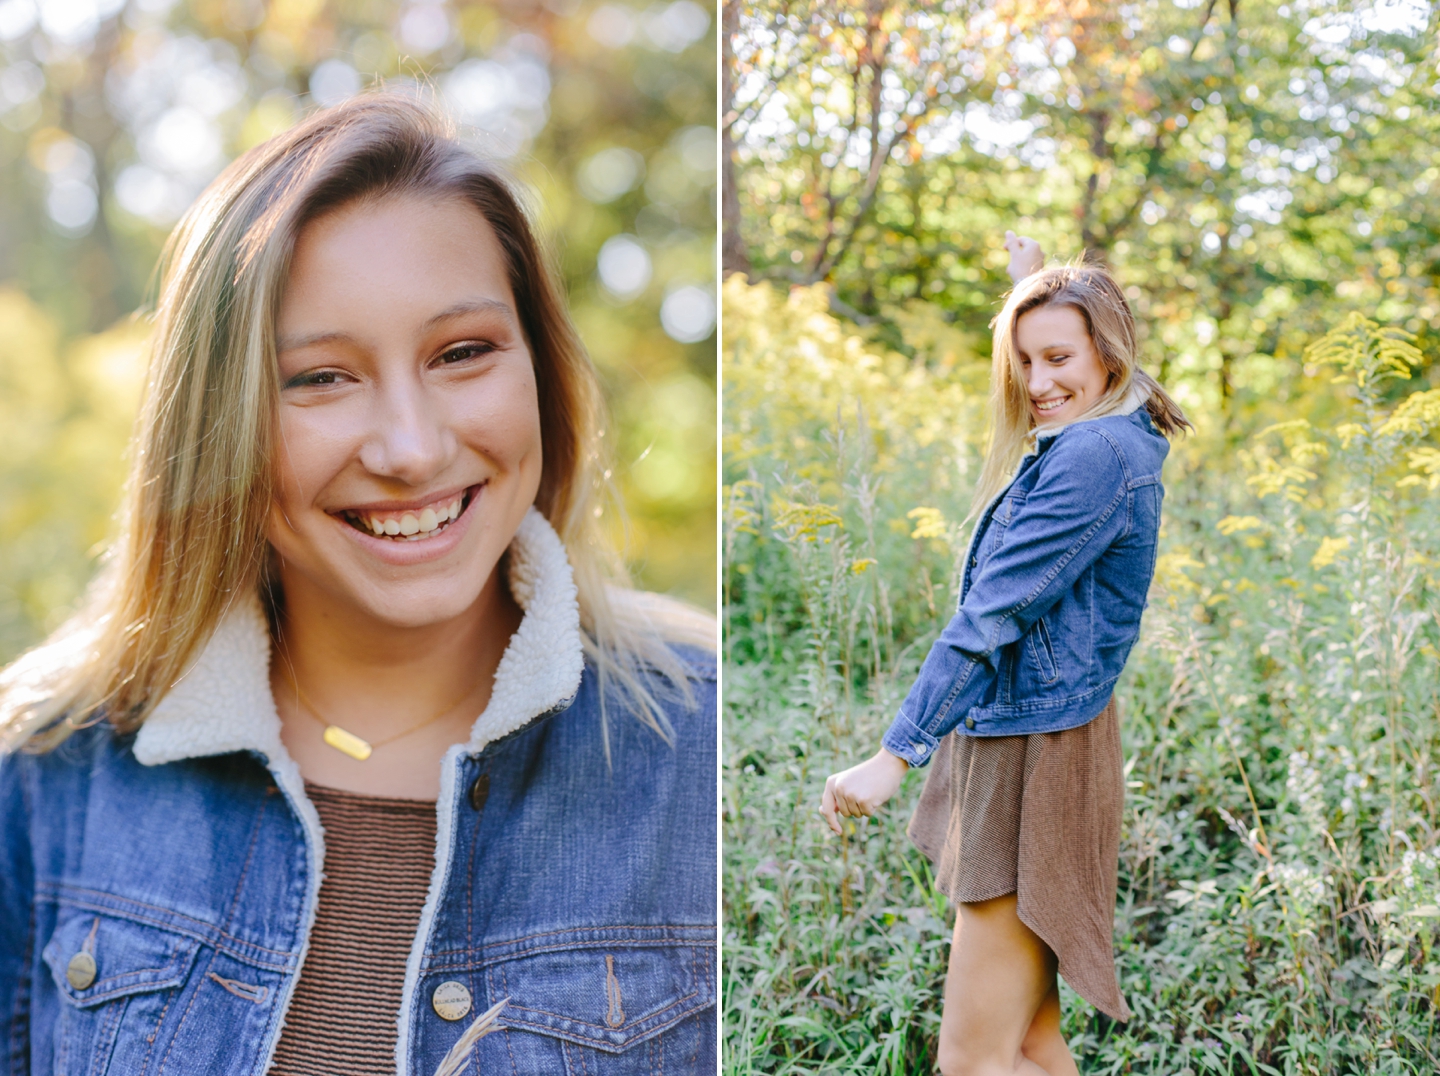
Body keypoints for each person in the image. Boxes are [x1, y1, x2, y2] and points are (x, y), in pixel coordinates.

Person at [0, 95, 716, 1075]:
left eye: (462, 353)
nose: (412, 449)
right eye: (321, 378)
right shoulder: (49, 768)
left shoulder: (704, 751)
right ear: (219, 424)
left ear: (540, 373)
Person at [820, 232, 1190, 1075]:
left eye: (1059, 358)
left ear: (1107, 350)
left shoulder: (1095, 457)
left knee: (970, 1060)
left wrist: (892, 757)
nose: (1036, 384)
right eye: (1024, 361)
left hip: (1039, 754)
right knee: (1028, 1042)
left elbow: (993, 615)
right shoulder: (1118, 433)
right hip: (1048, 733)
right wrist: (1033, 289)